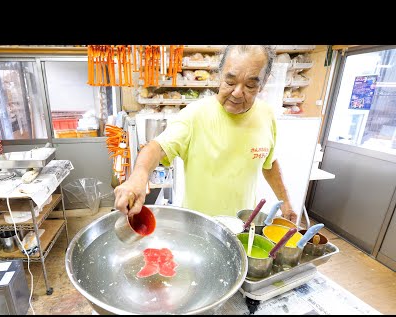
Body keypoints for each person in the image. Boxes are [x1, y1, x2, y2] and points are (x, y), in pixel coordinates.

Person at [114, 45, 297, 222]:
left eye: (250, 85)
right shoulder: (195, 114)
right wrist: (139, 176)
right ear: (219, 74)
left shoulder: (266, 115)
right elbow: (157, 147)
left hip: (242, 225)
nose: (237, 92)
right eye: (230, 82)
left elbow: (269, 162)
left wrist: (286, 202)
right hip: (199, 226)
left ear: (263, 84)